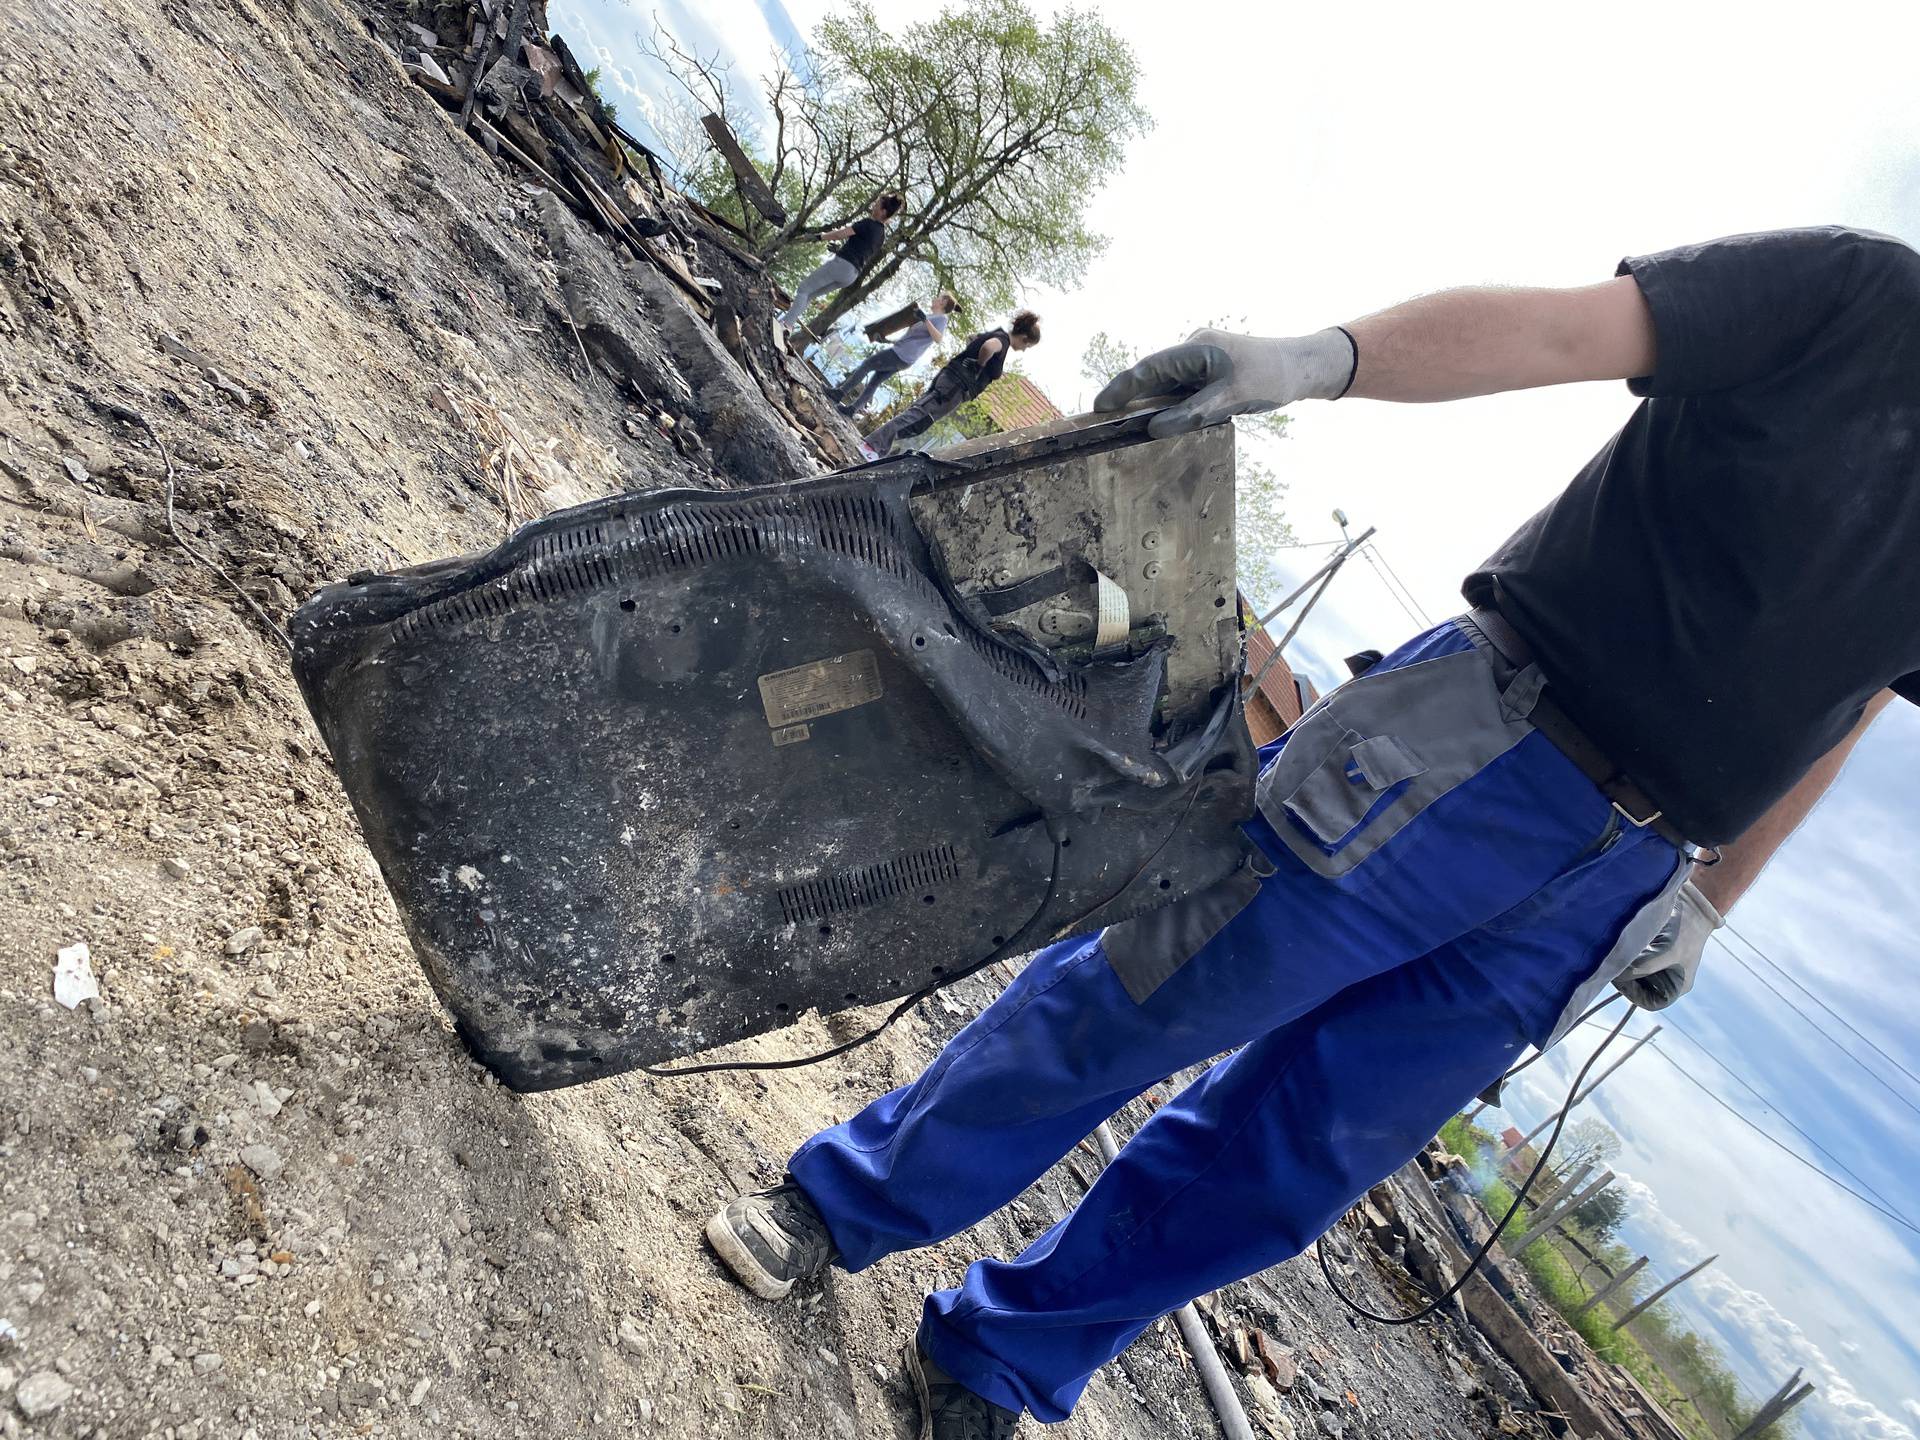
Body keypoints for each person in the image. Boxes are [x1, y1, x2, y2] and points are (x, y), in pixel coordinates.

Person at [705, 226, 1920, 1438]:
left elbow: (1855, 698)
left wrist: (1711, 899)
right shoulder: (1864, 297)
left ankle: (998, 1361)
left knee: (1288, 1164)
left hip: (1621, 878)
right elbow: (1564, 328)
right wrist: (1308, 363)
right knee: (1153, 988)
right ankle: (839, 1205)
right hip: (1482, 736)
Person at [862, 310, 1041, 457]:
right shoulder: (1001, 341)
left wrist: (972, 357)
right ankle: (872, 445)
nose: (1024, 350)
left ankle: (878, 449)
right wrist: (979, 365)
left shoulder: (998, 334)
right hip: (954, 386)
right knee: (918, 414)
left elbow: (972, 338)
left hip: (953, 384)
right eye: (1027, 346)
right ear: (1024, 338)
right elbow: (988, 347)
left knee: (919, 423)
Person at [778, 194, 903, 336]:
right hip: (851, 275)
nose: (873, 206)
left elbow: (840, 234)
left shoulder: (869, 223)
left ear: (883, 212)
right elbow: (863, 250)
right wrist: (840, 250)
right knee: (810, 294)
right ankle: (788, 323)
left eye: (876, 205)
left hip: (842, 265)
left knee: (803, 289)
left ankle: (786, 325)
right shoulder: (881, 236)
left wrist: (818, 237)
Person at [831, 293, 961, 417]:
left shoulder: (941, 319)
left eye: (938, 298)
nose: (934, 299)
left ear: (943, 302)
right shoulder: (930, 317)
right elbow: (910, 338)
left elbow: (938, 338)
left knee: (867, 364)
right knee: (875, 380)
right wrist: (887, 340)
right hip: (903, 356)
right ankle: (852, 409)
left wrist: (925, 320)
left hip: (901, 354)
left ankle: (839, 393)